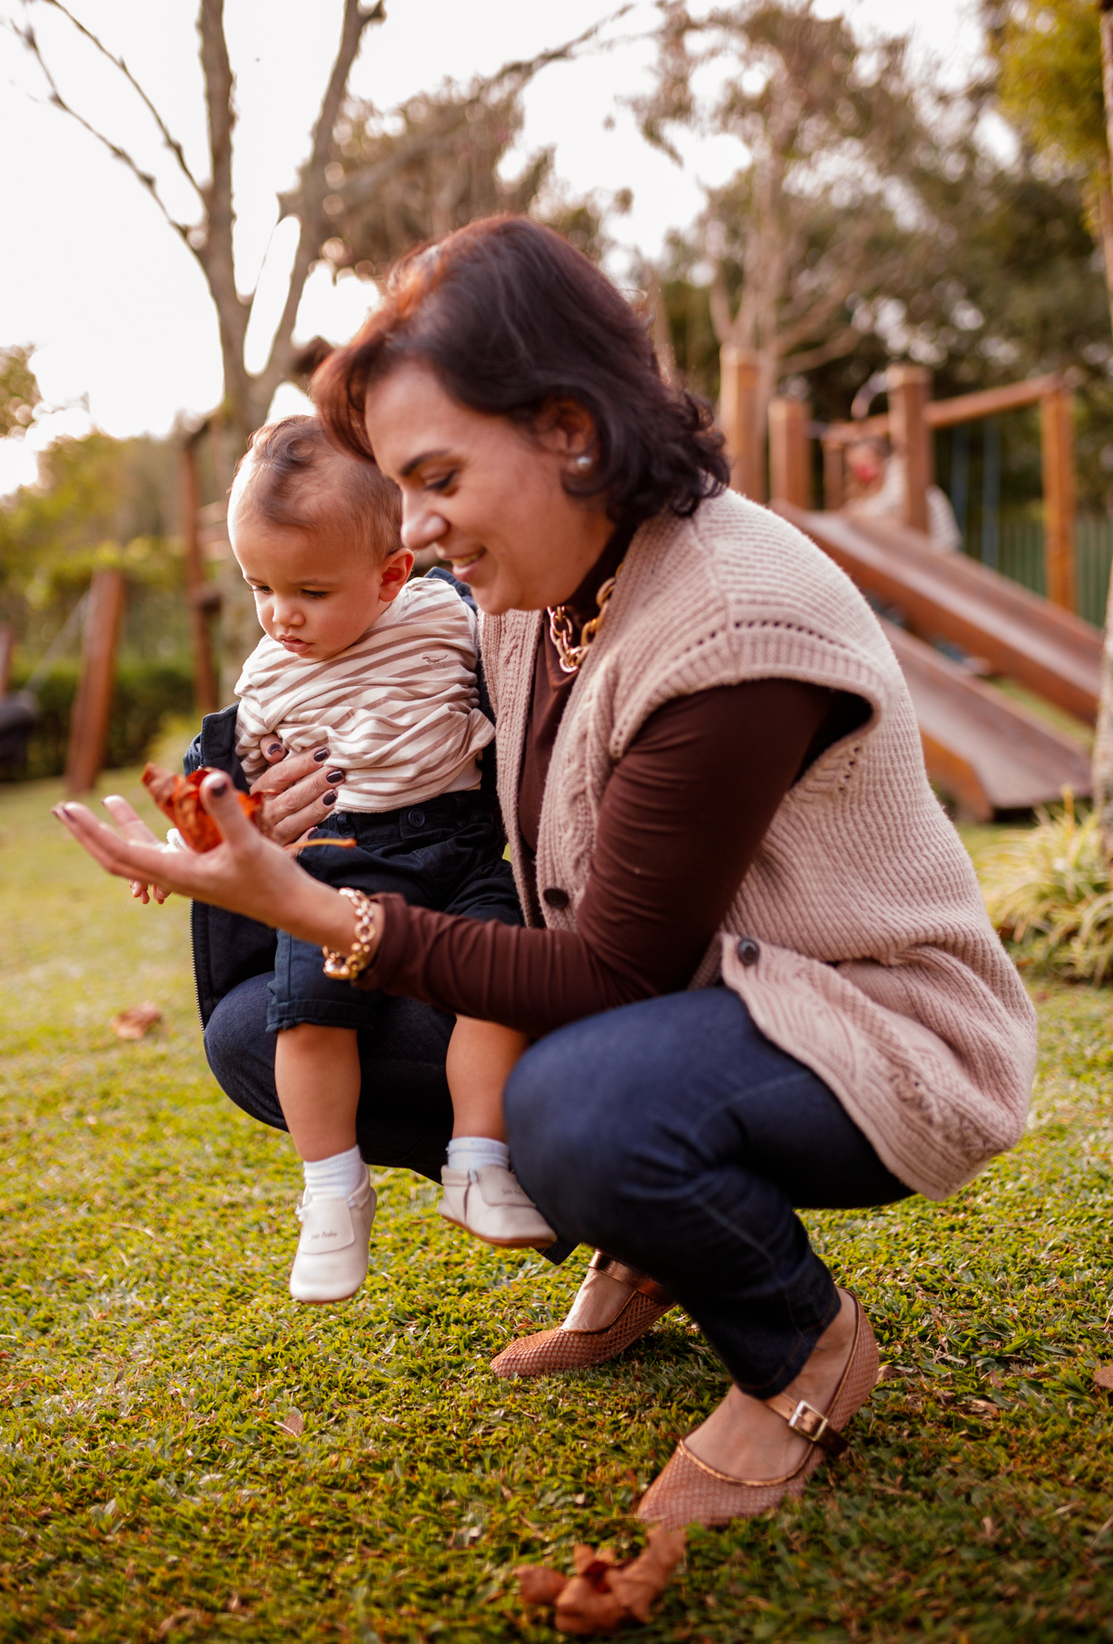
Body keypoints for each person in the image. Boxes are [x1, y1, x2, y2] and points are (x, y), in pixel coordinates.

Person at [56, 216, 1036, 1530]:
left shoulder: (733, 622)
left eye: (438, 473)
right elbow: (358, 708)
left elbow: (610, 968)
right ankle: (649, 1244)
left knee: (576, 1103)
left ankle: (800, 1343)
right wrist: (256, 815)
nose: (415, 525)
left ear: (568, 428)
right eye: (401, 485)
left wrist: (324, 909)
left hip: (863, 1025)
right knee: (263, 1030)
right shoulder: (534, 579)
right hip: (678, 1003)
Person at [155, 414, 554, 1307]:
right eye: (260, 585)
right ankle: (332, 1191)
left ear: (390, 576)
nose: (279, 614)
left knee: (496, 990)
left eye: (309, 589)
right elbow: (220, 786)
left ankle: (480, 1163)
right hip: (339, 864)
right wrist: (191, 845)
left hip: (458, 856)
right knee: (308, 1016)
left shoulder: (451, 615)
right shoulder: (268, 675)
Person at [845, 435, 962, 550]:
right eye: (855, 465)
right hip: (927, 547)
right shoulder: (882, 481)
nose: (860, 469)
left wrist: (859, 512)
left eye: (863, 460)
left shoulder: (902, 475)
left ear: (877, 456)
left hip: (940, 548)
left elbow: (889, 506)